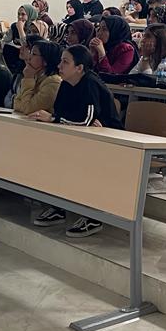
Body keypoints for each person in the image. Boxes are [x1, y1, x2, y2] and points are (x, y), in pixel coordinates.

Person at [29, 45, 123, 238]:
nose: (59, 66)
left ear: (79, 68)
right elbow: (63, 113)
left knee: (84, 164)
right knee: (51, 154)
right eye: (60, 61)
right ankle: (59, 206)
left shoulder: (89, 83)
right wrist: (57, 118)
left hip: (111, 141)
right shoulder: (65, 84)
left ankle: (93, 216)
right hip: (84, 136)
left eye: (65, 62)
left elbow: (86, 119)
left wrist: (54, 119)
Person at [13, 40, 62, 115]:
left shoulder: (53, 83)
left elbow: (28, 109)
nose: (29, 57)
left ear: (45, 60)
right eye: (30, 53)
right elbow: (16, 104)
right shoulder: (36, 77)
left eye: (34, 54)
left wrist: (28, 78)